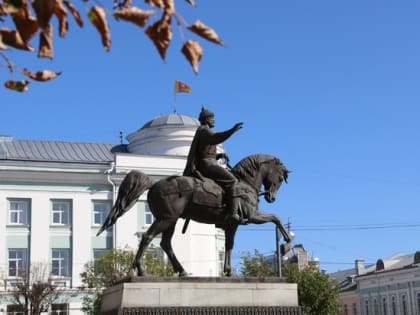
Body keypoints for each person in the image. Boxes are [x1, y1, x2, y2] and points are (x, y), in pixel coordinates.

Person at [184, 107, 243, 223]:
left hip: (208, 161)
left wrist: (218, 156)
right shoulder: (205, 131)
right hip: (207, 165)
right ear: (206, 120)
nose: (214, 120)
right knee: (233, 180)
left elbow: (204, 152)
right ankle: (233, 213)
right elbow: (216, 138)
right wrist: (231, 131)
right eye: (212, 118)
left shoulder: (202, 131)